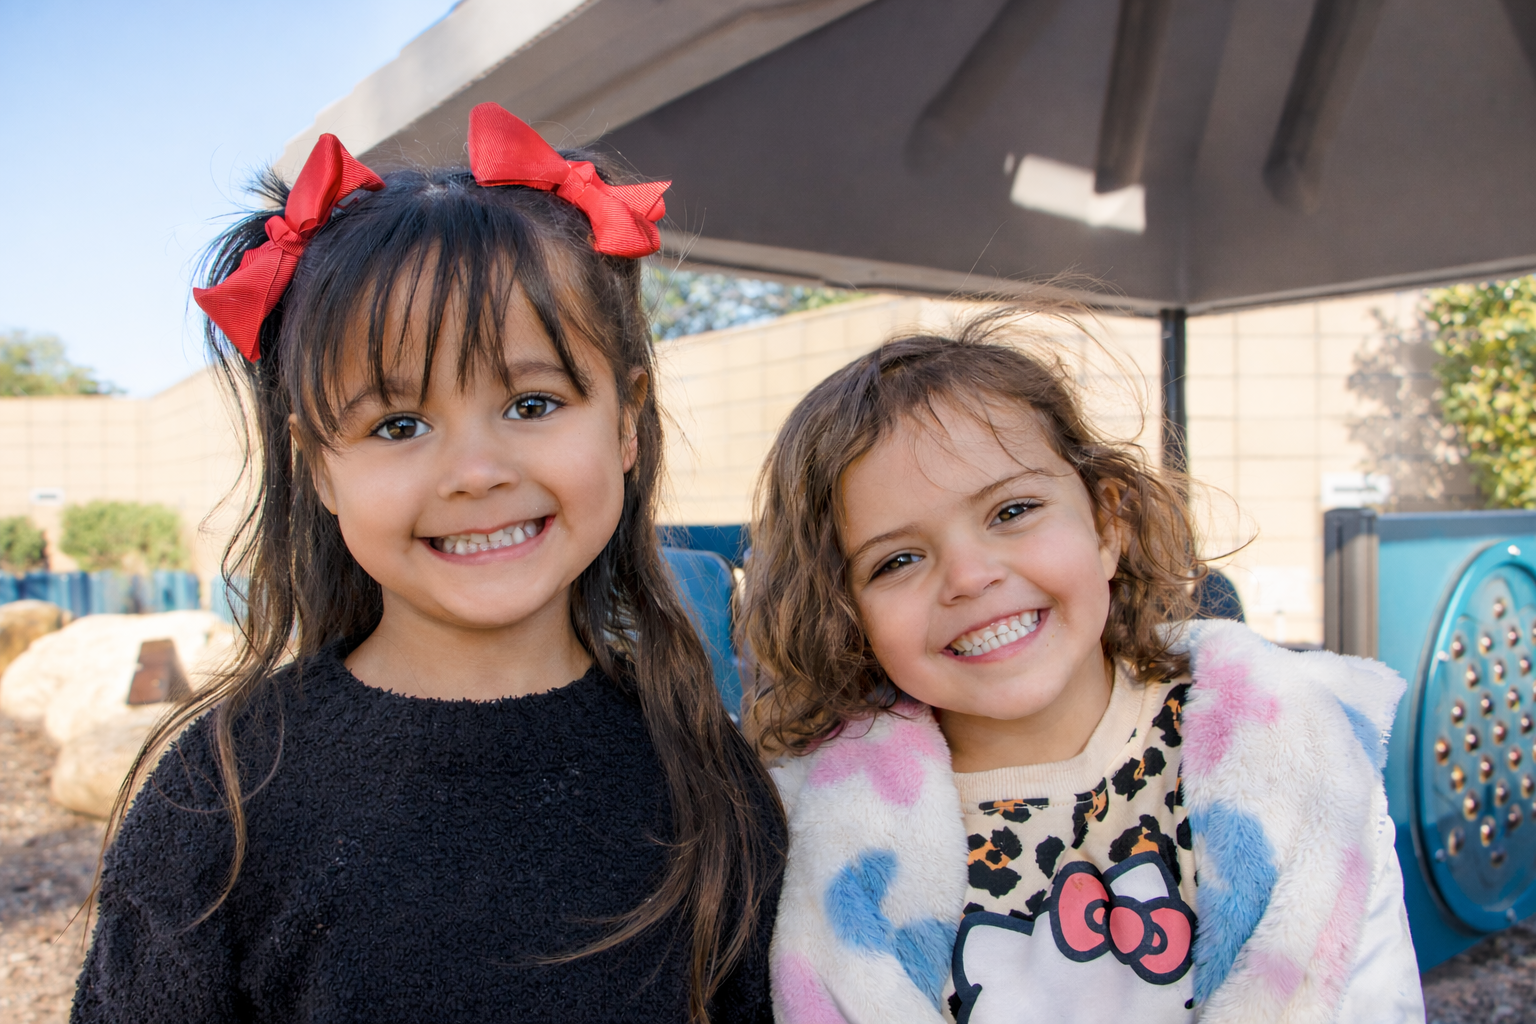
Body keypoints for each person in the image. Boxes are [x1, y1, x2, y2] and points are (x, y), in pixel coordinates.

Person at [72, 103, 781, 1024]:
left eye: (531, 403)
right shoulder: (227, 799)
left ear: (628, 420)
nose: (476, 472)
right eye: (398, 425)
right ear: (317, 463)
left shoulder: (703, 770)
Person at [739, 316, 1423, 1023]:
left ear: (1106, 524)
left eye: (1012, 510)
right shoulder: (821, 840)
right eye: (898, 560)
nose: (970, 577)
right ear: (847, 616)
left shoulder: (1298, 756)